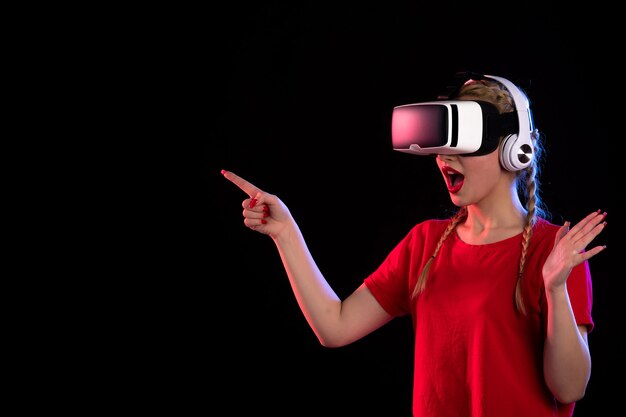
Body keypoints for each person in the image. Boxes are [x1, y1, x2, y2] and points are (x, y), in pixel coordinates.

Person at [221, 72, 607, 417]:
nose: (443, 157)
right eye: (441, 143)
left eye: (464, 143)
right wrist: (286, 233)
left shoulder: (555, 250)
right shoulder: (425, 243)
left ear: (514, 149)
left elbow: (569, 388)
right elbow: (334, 327)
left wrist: (555, 288)